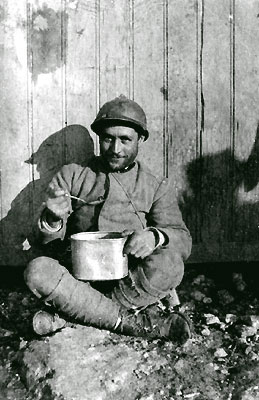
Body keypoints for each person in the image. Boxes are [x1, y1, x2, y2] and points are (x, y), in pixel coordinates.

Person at [24, 94, 192, 344]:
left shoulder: (155, 186)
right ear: (99, 139)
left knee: (170, 265)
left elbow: (182, 238)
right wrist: (52, 219)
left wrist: (155, 236)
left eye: (125, 140)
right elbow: (43, 243)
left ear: (140, 140)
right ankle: (132, 323)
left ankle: (75, 316)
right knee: (37, 271)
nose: (115, 149)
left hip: (129, 279)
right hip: (79, 277)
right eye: (108, 138)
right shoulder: (72, 176)